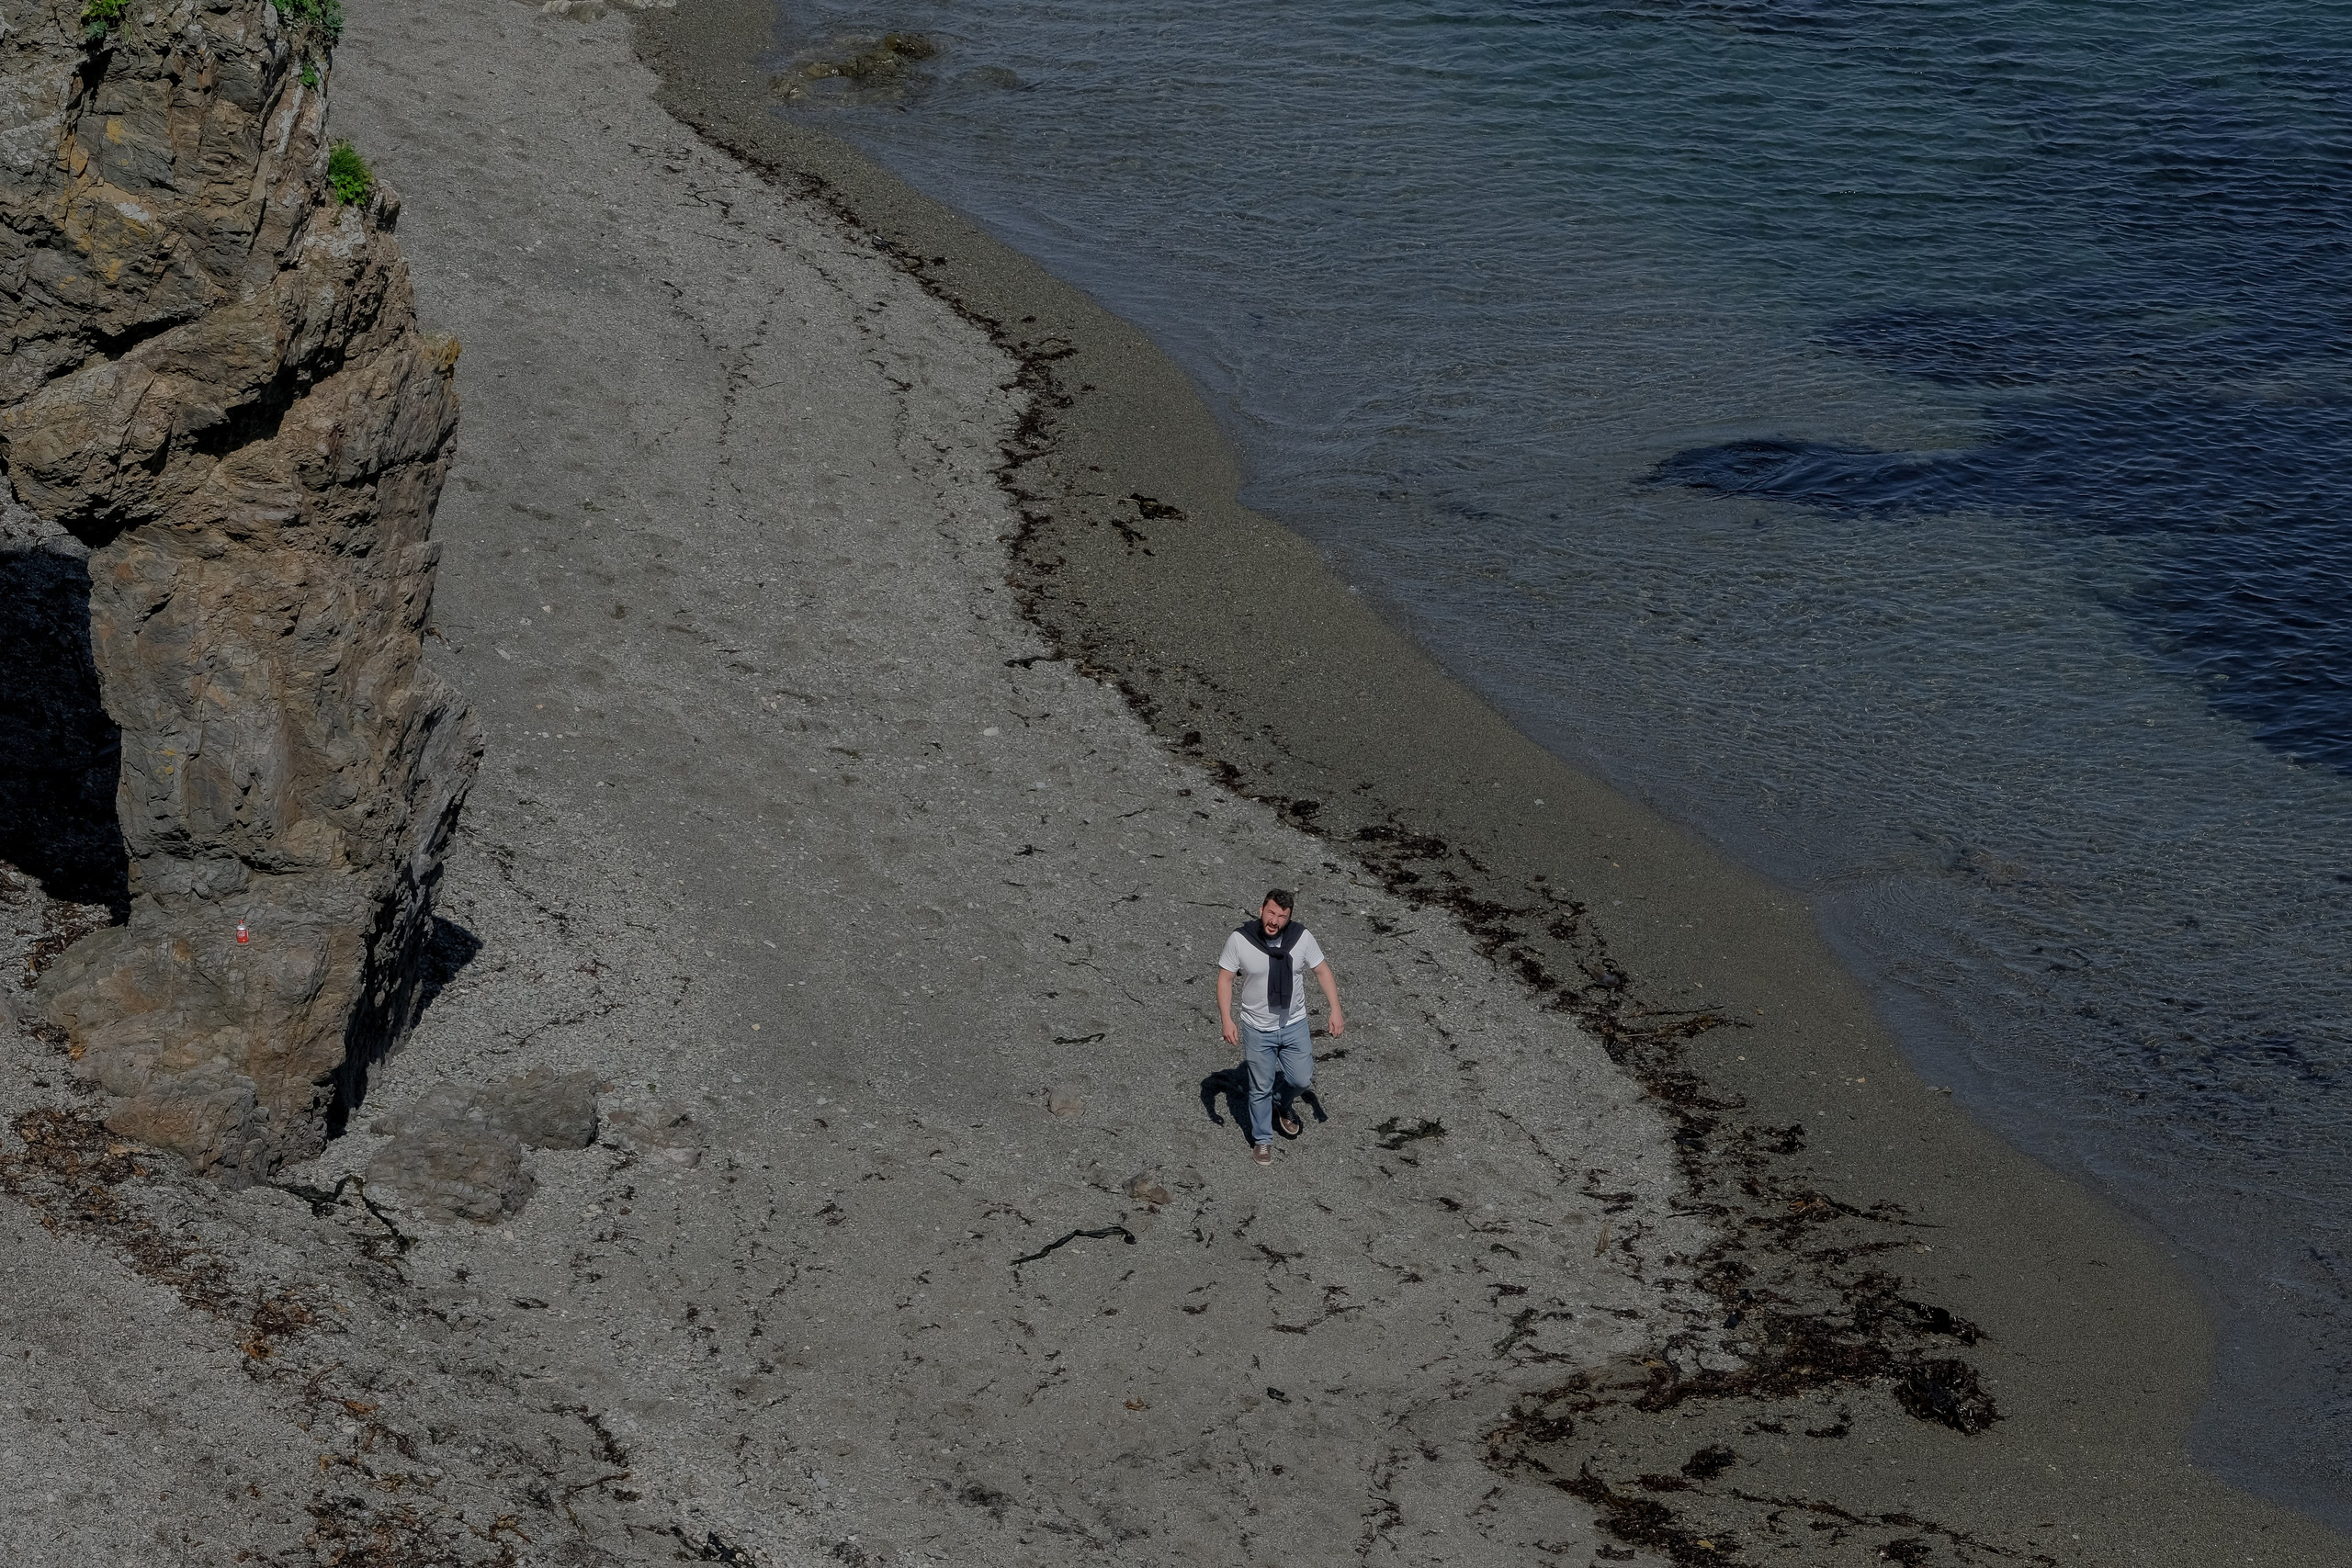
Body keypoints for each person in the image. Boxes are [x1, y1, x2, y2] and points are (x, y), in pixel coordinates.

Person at [1216, 888, 1344, 1166]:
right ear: (1261, 910)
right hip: (1257, 1027)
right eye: (1271, 913)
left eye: (1281, 916)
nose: (1274, 921)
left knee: (1301, 1079)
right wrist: (1227, 1018)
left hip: (1294, 1023)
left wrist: (1335, 1009)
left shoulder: (1301, 938)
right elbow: (1225, 978)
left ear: (1289, 918)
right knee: (1259, 1087)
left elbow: (1322, 970)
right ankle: (1263, 1139)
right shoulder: (1240, 940)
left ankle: (1282, 1103)